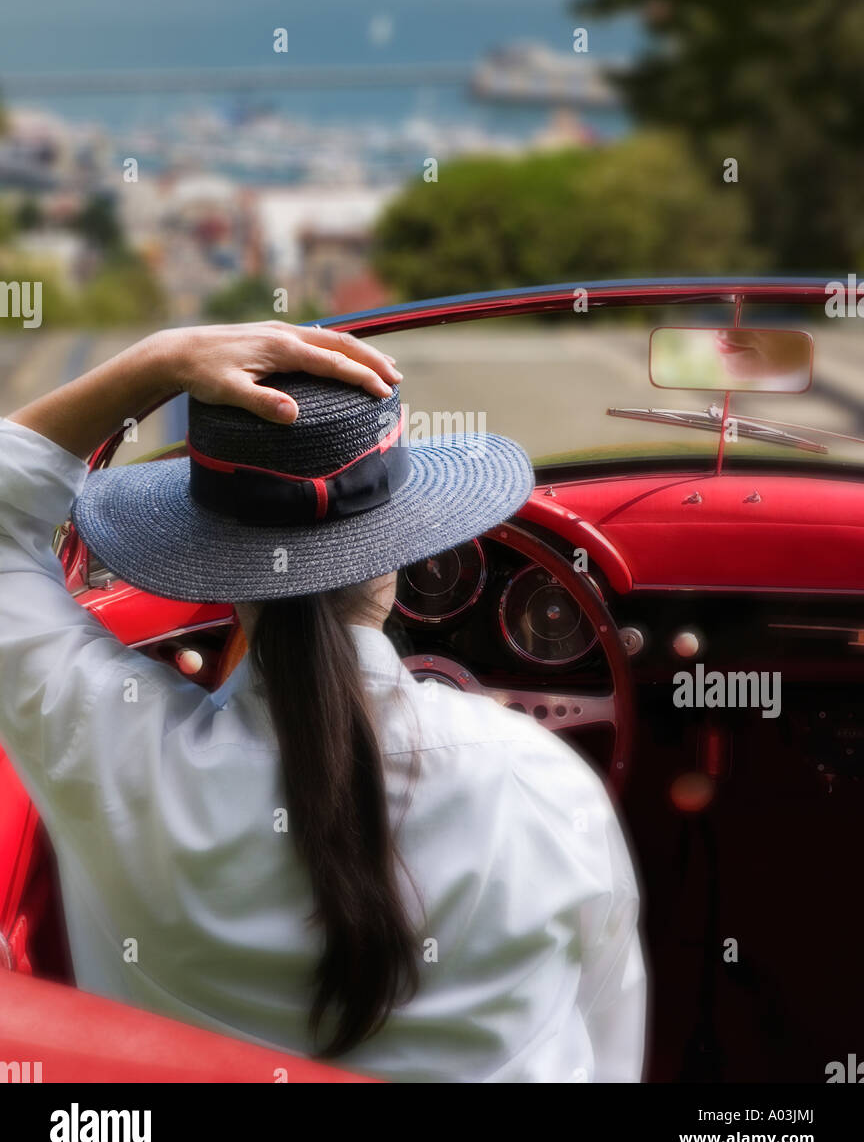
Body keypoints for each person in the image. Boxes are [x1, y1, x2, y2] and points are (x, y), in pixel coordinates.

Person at [0, 321, 646, 1082]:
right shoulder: (546, 785)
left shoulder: (105, 749)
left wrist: (160, 359)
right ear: (400, 548)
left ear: (209, 556)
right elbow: (608, 1043)